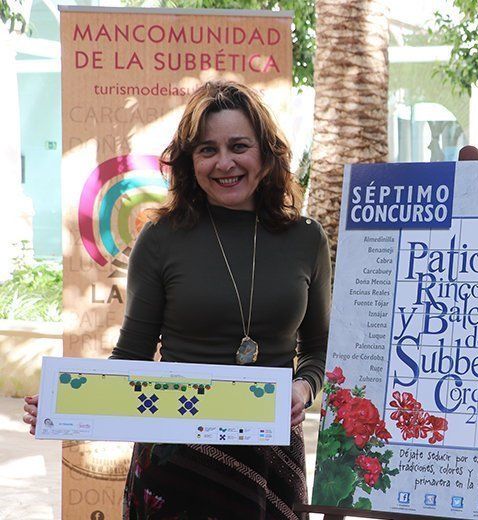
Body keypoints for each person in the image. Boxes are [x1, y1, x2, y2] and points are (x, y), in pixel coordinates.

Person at [23, 80, 331, 519]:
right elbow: (131, 354)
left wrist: (304, 385)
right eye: (207, 150)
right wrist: (64, 404)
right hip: (176, 461)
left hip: (270, 455)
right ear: (190, 161)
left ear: (266, 153)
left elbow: (318, 346)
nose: (224, 162)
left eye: (239, 145)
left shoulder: (306, 239)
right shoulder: (161, 237)